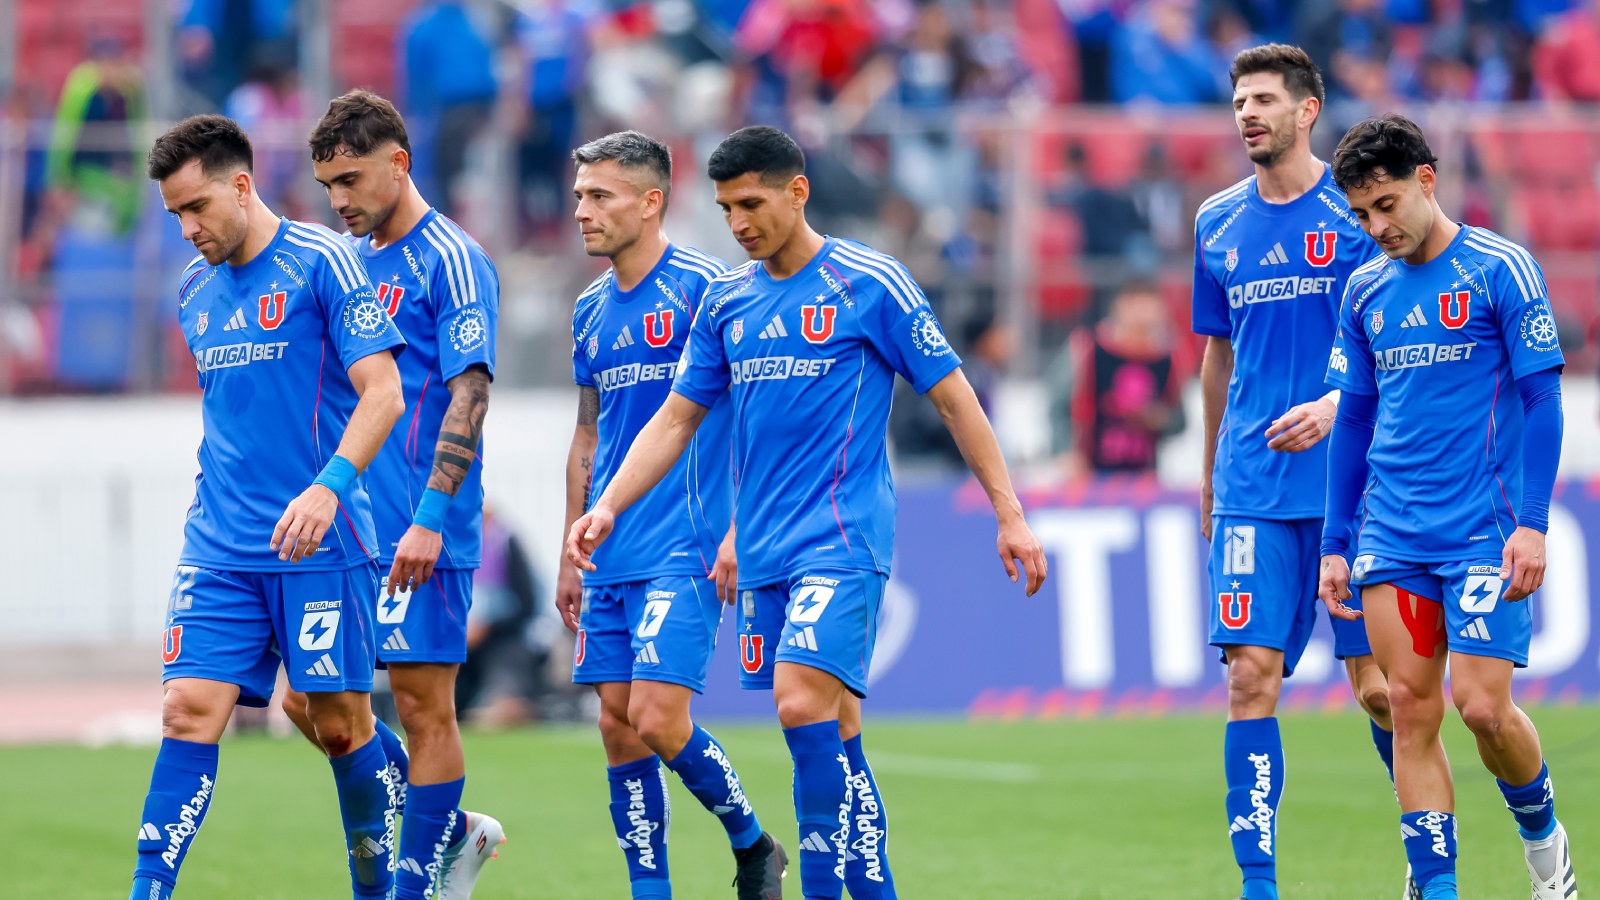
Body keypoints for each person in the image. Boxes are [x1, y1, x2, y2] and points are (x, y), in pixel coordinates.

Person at [567, 125, 1048, 900]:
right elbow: (677, 419)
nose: (739, 223)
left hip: (843, 534)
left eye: (752, 203)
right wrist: (609, 505)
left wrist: (1009, 512)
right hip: (761, 551)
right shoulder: (726, 302)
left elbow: (955, 398)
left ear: (798, 191)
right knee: (837, 735)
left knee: (799, 705)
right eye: (726, 209)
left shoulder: (869, 281)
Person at [130, 114, 406, 900]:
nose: (187, 229)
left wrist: (329, 487)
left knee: (335, 723)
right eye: (174, 215)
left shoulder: (322, 262)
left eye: (196, 208)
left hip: (320, 542)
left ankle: (404, 861)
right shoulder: (193, 289)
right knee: (186, 710)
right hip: (220, 544)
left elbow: (382, 394)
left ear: (241, 186)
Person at [1319, 113, 1577, 900]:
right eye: (1362, 214)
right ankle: (1434, 888)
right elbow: (1355, 419)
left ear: (1427, 180)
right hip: (1391, 532)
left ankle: (1546, 847)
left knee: (1483, 710)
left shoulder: (1501, 269)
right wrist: (1337, 538)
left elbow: (1543, 397)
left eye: (1387, 205)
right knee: (1405, 705)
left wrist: (1532, 521)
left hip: (1481, 531)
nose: (1377, 227)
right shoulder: (1363, 288)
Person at [275, 90, 505, 900]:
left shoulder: (451, 258)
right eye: (327, 185)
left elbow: (470, 393)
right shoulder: (346, 263)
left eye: (351, 180)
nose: (338, 201)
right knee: (307, 700)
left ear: (398, 163)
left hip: (417, 526)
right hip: (350, 529)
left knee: (419, 706)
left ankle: (419, 887)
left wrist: (433, 518)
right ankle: (457, 829)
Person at [557, 129, 788, 900]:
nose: (581, 210)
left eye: (600, 196)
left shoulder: (709, 289)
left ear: (651, 202)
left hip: (685, 543)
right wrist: (571, 543)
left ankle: (752, 843)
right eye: (580, 194)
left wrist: (737, 525)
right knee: (617, 725)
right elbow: (589, 434)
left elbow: (757, 410)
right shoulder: (589, 309)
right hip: (608, 550)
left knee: (656, 715)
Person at [1190, 44, 1397, 900]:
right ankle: (1259, 887)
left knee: (1381, 690)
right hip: (1252, 490)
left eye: (1266, 99)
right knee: (1250, 678)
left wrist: (1334, 403)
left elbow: (1397, 338)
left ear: (1307, 110)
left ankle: (1431, 863)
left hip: (1355, 487)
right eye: (1241, 100)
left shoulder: (1356, 214)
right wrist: (1207, 477)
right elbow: (1216, 353)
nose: (1249, 113)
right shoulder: (1215, 222)